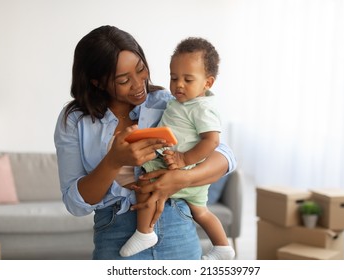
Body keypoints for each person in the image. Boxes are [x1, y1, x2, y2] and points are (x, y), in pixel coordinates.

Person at [54, 25, 236, 260]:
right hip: (115, 232)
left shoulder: (168, 102)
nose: (139, 83)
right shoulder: (75, 122)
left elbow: (225, 155)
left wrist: (183, 178)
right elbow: (75, 204)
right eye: (123, 80)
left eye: (141, 69)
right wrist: (113, 161)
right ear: (97, 82)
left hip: (176, 222)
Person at [119, 37, 235, 260]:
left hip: (183, 169)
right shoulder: (178, 102)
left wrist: (183, 160)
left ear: (207, 83)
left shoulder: (201, 108)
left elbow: (212, 141)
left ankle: (145, 232)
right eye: (174, 77)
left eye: (188, 79)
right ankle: (222, 247)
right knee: (200, 211)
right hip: (175, 167)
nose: (178, 84)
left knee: (145, 186)